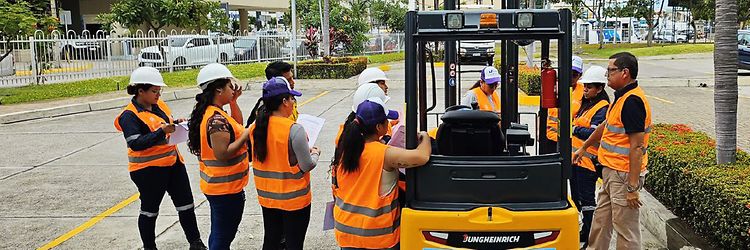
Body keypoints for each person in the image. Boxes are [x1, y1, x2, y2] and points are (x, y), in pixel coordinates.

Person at [114, 67, 207, 250]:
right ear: (141, 91)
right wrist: (161, 132)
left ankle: (195, 243)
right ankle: (149, 247)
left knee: (186, 205)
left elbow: (166, 125)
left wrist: (176, 125)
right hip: (148, 171)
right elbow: (136, 143)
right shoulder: (129, 116)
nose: (158, 95)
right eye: (154, 91)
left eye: (159, 91)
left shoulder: (159, 106)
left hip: (173, 165)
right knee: (149, 211)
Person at [573, 52, 652, 250]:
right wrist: (584, 147)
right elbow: (605, 127)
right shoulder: (621, 97)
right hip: (611, 172)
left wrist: (632, 188)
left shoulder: (632, 101)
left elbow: (637, 146)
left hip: (624, 175)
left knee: (626, 229)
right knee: (601, 223)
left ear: (625, 73)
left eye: (611, 70)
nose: (607, 74)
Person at [332, 97, 432, 250]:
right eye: (387, 121)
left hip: (346, 231)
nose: (389, 124)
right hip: (376, 235)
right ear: (379, 127)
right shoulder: (384, 154)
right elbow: (422, 156)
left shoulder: (346, 149)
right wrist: (424, 136)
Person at [249, 77, 321, 250]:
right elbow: (307, 165)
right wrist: (316, 153)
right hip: (294, 200)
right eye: (292, 99)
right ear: (284, 101)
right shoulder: (293, 129)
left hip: (268, 198)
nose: (293, 103)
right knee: (294, 244)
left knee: (272, 240)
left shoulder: (256, 127)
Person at [187, 63, 250, 250]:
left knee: (219, 234)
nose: (234, 89)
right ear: (218, 89)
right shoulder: (215, 120)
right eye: (230, 86)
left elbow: (236, 127)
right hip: (225, 190)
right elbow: (222, 153)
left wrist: (234, 103)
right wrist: (249, 132)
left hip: (222, 187)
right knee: (222, 238)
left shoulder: (216, 113)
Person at [569, 66, 610, 248]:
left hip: (588, 163)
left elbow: (593, 134)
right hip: (578, 160)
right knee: (578, 198)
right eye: (584, 87)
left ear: (599, 88)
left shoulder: (602, 108)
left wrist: (574, 129)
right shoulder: (588, 105)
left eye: (589, 87)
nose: (584, 90)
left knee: (587, 201)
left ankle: (589, 234)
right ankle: (585, 230)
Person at [545, 56, 585, 152]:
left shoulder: (584, 91)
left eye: (574, 74)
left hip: (569, 140)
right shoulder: (554, 87)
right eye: (568, 73)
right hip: (550, 138)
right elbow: (543, 111)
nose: (570, 77)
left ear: (580, 75)